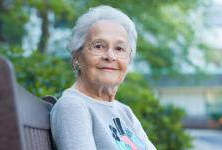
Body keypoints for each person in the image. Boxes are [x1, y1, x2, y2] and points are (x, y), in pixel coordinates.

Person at [50, 5, 156, 150]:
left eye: (119, 48)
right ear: (77, 57)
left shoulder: (124, 111)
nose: (110, 56)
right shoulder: (73, 107)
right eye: (98, 46)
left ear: (128, 60)